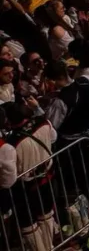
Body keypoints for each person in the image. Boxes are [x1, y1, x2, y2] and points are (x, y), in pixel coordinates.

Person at [0, 100, 58, 251]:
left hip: (25, 188)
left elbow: (9, 177)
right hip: (47, 177)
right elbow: (53, 138)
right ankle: (49, 247)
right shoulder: (44, 122)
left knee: (28, 224)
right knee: (46, 215)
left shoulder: (12, 143)